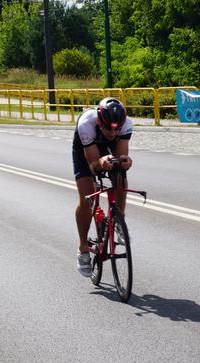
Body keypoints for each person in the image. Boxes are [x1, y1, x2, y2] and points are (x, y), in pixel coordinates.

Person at [72, 98, 133, 277]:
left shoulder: (126, 125)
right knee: (87, 198)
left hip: (107, 149)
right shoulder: (86, 124)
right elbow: (92, 164)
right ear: (100, 122)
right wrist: (100, 162)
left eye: (117, 128)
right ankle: (83, 247)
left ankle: (118, 221)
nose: (113, 132)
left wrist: (125, 161)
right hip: (86, 150)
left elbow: (122, 154)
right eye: (108, 128)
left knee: (120, 173)